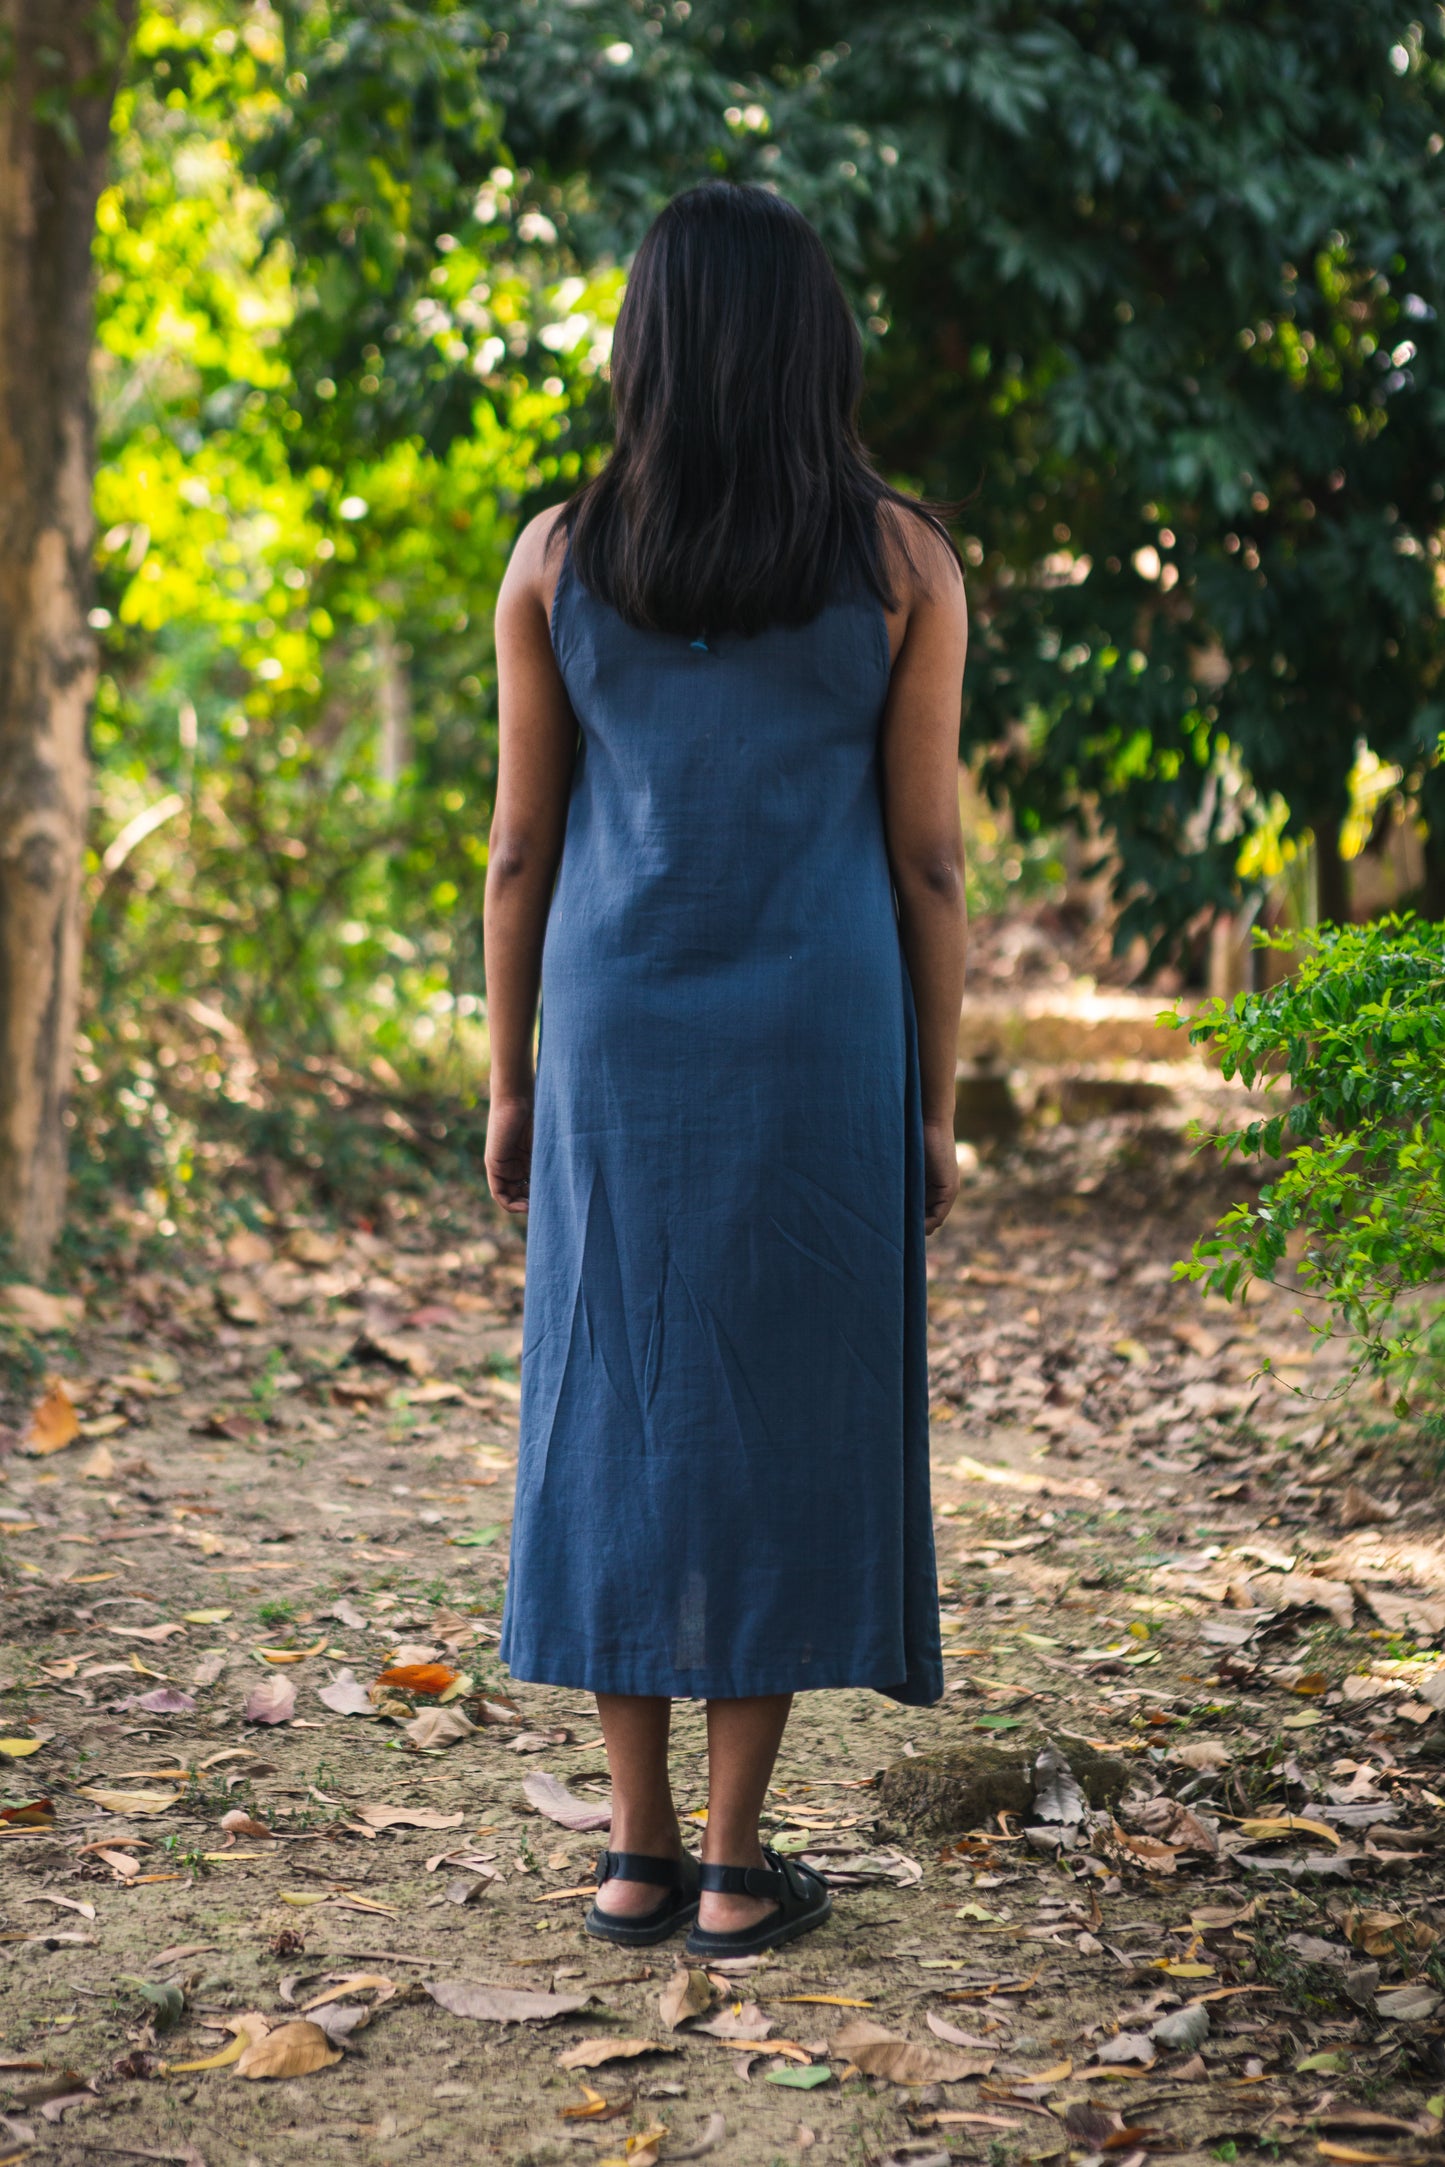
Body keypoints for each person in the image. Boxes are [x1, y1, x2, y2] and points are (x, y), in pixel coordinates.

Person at [483, 181, 968, 1959]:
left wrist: (508, 1081)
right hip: (816, 1028)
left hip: (613, 1027)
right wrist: (934, 1103)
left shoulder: (559, 554)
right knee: (771, 1394)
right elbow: (927, 860)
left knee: (614, 1390)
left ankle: (630, 1857)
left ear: (646, 348)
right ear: (814, 348)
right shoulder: (898, 563)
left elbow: (521, 852)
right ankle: (740, 1865)